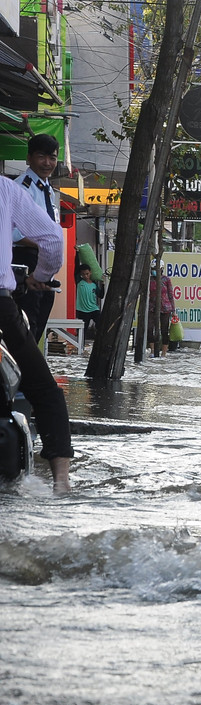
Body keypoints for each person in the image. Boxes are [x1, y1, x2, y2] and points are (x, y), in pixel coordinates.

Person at [0, 173, 73, 491]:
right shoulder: (7, 188)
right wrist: (40, 276)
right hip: (2, 306)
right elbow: (54, 240)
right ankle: (61, 484)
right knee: (45, 391)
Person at [12, 134, 60, 341]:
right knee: (26, 321)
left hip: (42, 261)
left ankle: (28, 368)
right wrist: (44, 244)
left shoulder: (47, 189)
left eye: (52, 158)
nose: (47, 163)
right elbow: (15, 233)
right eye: (41, 156)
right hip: (23, 259)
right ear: (29, 158)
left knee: (39, 320)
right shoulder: (21, 187)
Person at [148, 264, 176, 355]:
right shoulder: (149, 280)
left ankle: (164, 352)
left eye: (156, 269)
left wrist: (173, 310)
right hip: (152, 307)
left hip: (165, 308)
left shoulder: (166, 279)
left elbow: (170, 294)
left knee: (164, 330)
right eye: (153, 269)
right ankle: (152, 350)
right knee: (149, 328)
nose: (154, 271)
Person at [74, 263, 103, 348]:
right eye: (83, 274)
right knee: (83, 331)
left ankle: (100, 344)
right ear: (81, 275)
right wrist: (77, 254)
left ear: (90, 273)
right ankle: (81, 348)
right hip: (82, 311)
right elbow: (75, 270)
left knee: (101, 325)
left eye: (87, 274)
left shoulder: (94, 284)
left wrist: (103, 285)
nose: (85, 276)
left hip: (94, 309)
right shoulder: (79, 281)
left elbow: (101, 295)